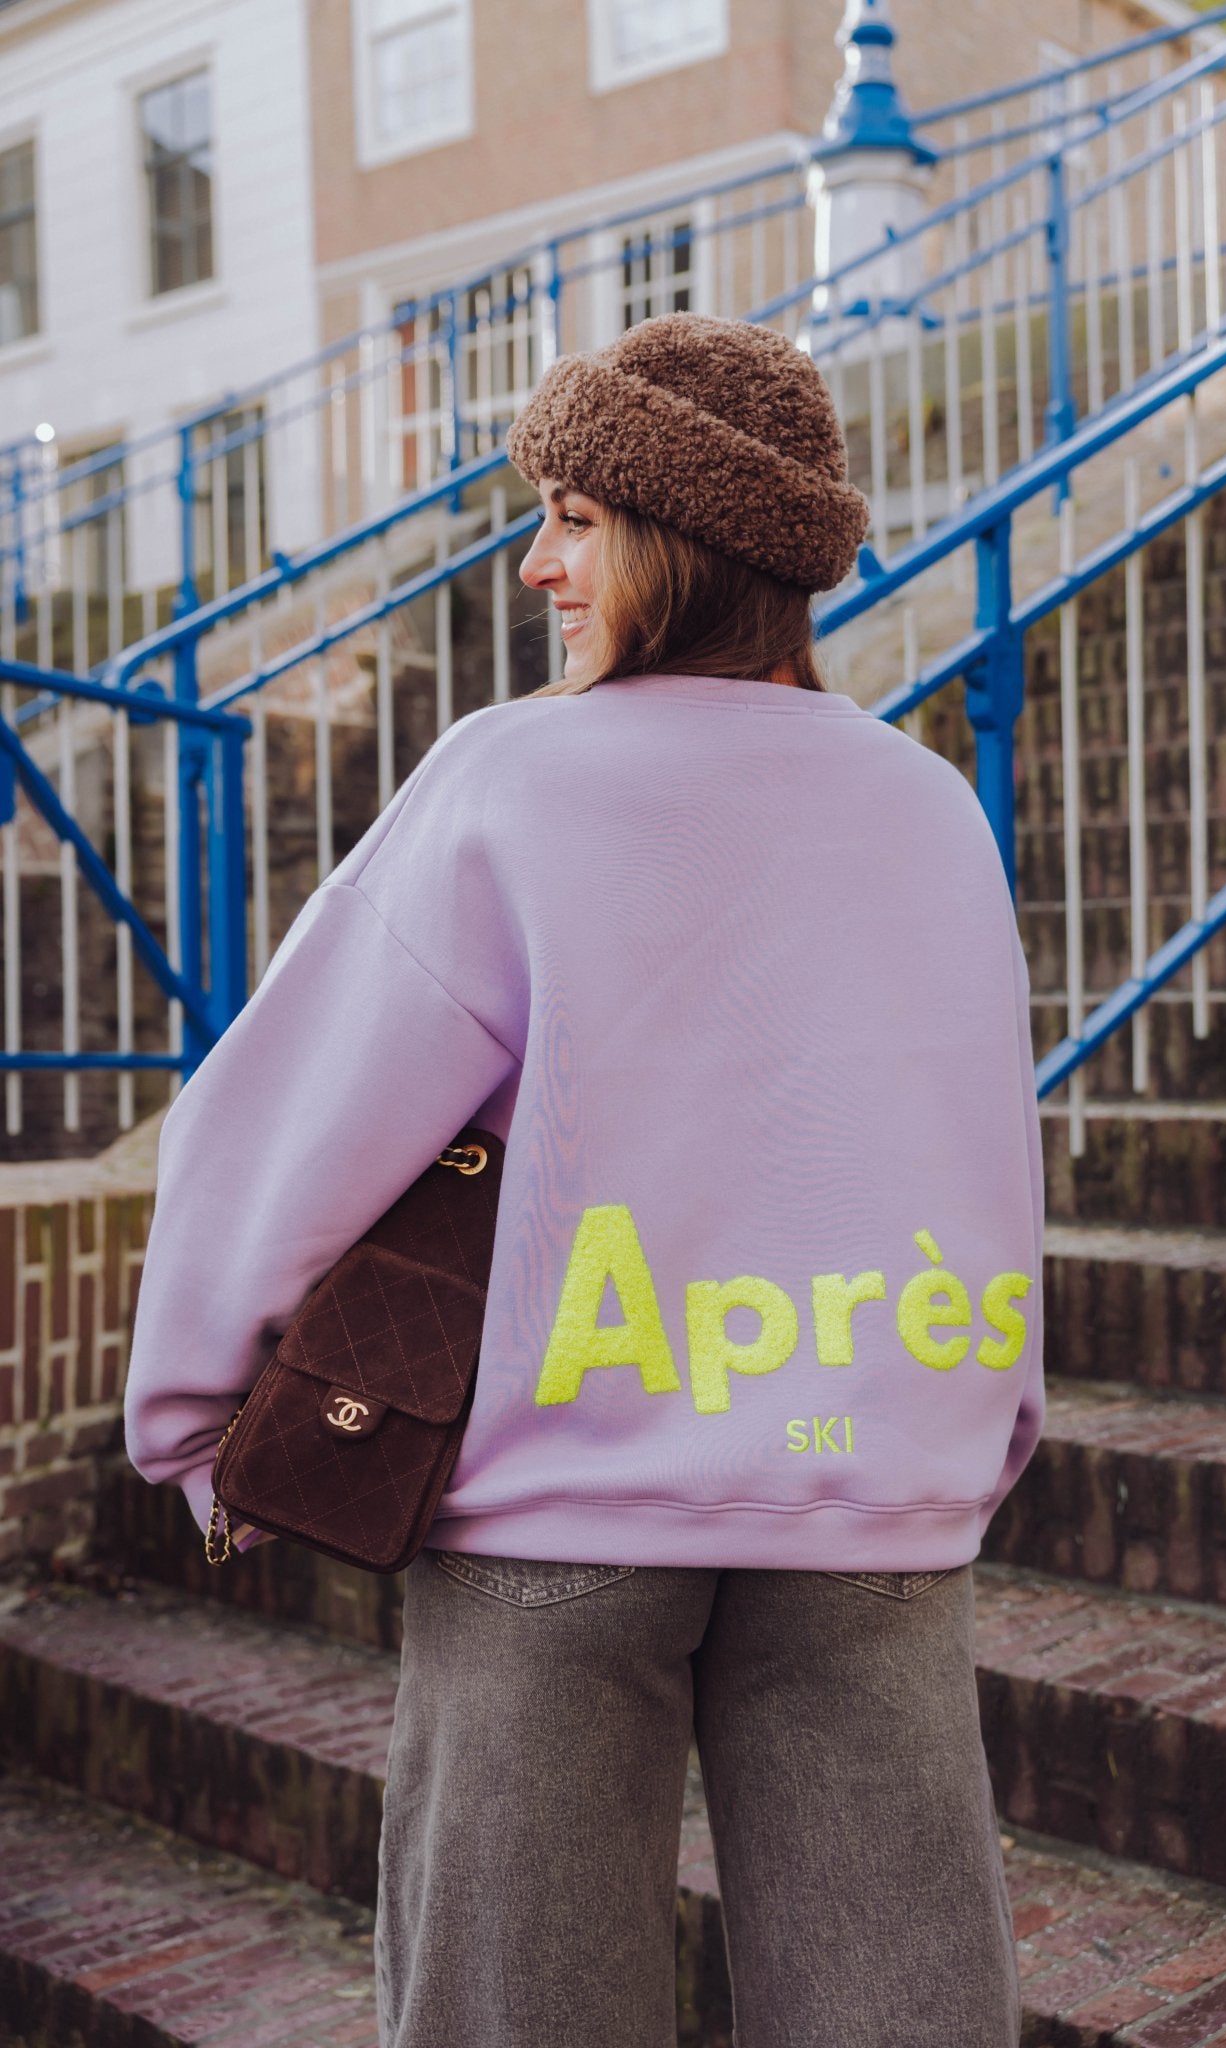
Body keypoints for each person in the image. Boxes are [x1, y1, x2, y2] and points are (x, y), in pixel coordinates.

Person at [123, 312, 1044, 2048]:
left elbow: (286, 1118)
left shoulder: (511, 779)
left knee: (515, 2011)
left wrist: (190, 1417)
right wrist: (979, 1429)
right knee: (902, 2004)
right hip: (874, 1489)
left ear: (681, 538)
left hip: (557, 1500)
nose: (539, 564)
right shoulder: (931, 808)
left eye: (574, 518)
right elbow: (983, 1144)